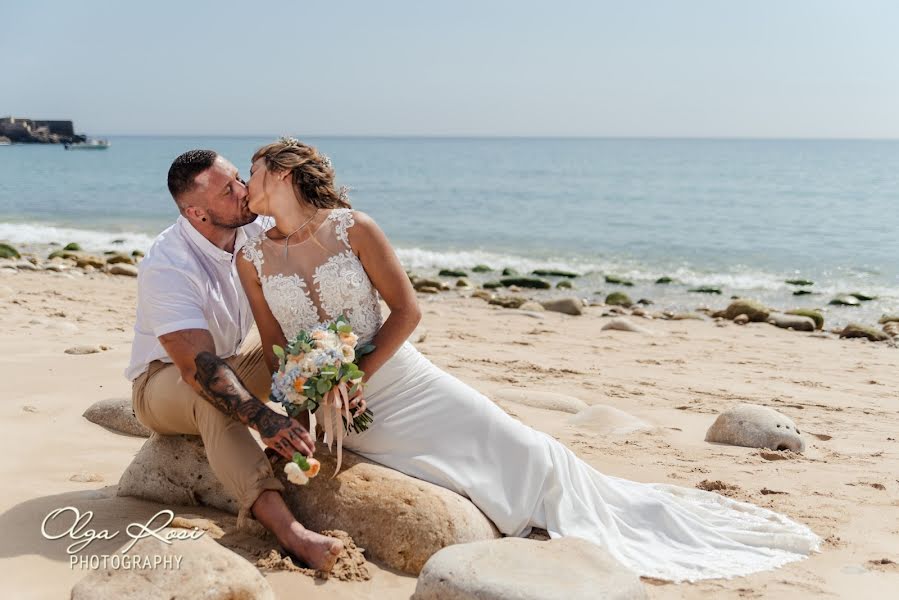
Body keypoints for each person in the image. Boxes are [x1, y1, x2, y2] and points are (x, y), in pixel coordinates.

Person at [198, 137, 820, 582]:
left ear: (281, 174)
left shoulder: (354, 228)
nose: (244, 189)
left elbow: (408, 313)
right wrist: (308, 396)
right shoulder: (254, 257)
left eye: (250, 174)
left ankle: (595, 515)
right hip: (332, 403)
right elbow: (278, 341)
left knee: (522, 449)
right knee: (454, 478)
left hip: (399, 380)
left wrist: (353, 374)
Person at [126, 149, 343, 572]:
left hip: (230, 362)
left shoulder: (255, 228)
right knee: (213, 396)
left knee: (307, 347)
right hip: (161, 385)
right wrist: (265, 420)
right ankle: (289, 532)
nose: (244, 192)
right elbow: (198, 368)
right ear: (197, 213)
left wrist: (295, 411)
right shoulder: (168, 264)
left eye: (239, 179)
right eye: (228, 191)